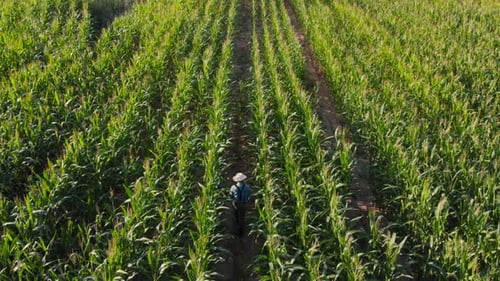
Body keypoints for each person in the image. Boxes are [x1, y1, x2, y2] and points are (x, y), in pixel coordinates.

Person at [229, 172, 251, 238]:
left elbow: (230, 196)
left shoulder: (233, 187)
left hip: (236, 204)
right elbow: (249, 195)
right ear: (243, 180)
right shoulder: (247, 187)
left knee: (236, 216)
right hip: (244, 204)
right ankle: (242, 231)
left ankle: (236, 231)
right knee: (242, 216)